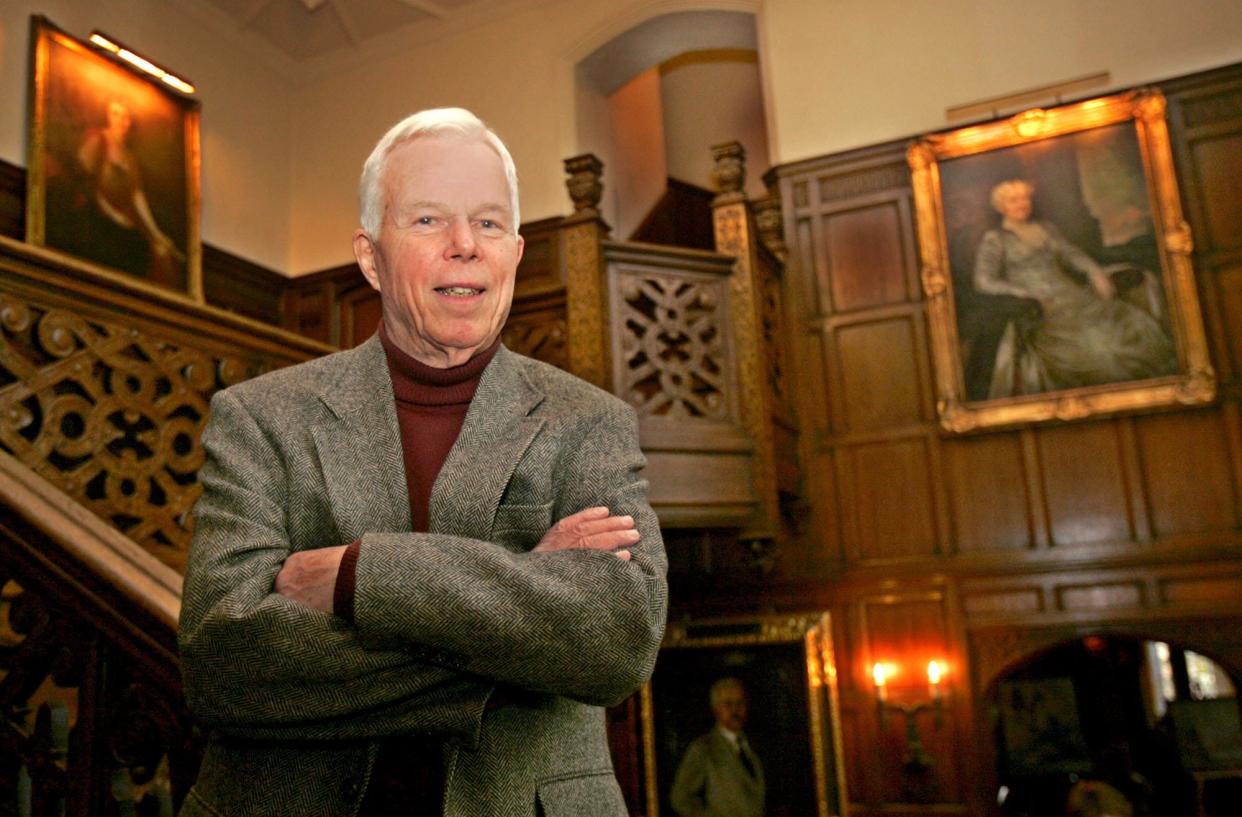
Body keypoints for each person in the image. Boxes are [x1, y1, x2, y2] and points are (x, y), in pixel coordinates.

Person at [177, 108, 668, 817]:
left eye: (489, 223)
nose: (466, 245)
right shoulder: (260, 416)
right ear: (371, 256)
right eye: (429, 221)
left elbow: (617, 641)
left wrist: (356, 575)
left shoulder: (590, 421)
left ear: (516, 252)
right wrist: (523, 619)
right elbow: (226, 667)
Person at [972, 179, 1177, 399]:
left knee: (1124, 322)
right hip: (1042, 306)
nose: (1022, 204)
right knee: (1095, 349)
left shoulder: (1046, 229)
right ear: (1002, 206)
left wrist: (1094, 273)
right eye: (1014, 200)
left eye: (1025, 198)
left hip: (1073, 295)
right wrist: (1022, 293)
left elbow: (1071, 255)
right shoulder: (995, 239)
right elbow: (984, 280)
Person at [72, 99, 184, 284]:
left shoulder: (129, 158)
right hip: (94, 214)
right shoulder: (97, 140)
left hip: (123, 218)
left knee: (160, 251)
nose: (121, 120)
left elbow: (137, 196)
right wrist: (112, 214)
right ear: (108, 116)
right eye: (115, 114)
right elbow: (85, 182)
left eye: (125, 116)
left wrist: (157, 234)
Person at [670, 677, 765, 817]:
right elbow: (680, 799)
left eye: (740, 703)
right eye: (728, 704)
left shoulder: (755, 745)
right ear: (716, 708)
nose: (735, 711)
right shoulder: (703, 748)